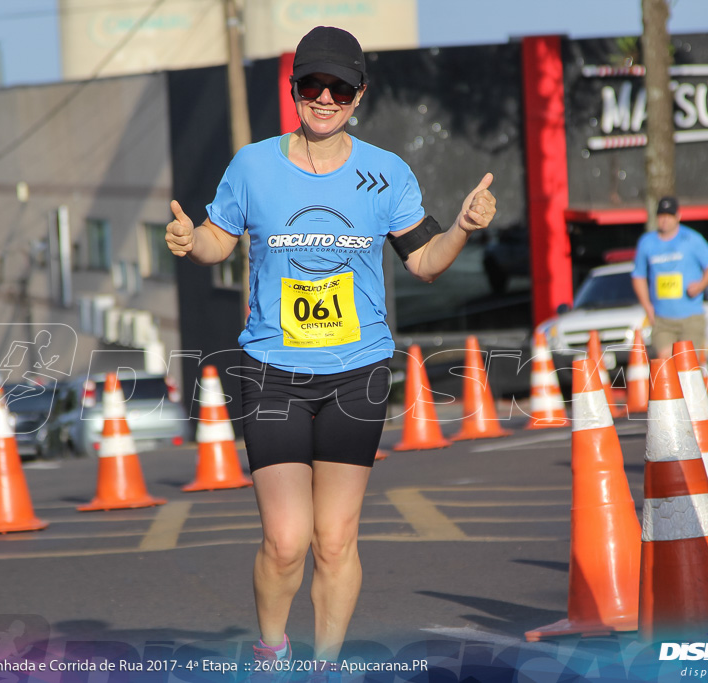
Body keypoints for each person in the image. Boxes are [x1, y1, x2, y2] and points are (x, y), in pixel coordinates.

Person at [164, 25, 496, 676]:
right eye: (311, 85)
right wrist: (187, 239)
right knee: (287, 543)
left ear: (358, 96)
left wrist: (461, 226)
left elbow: (425, 259)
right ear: (293, 90)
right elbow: (216, 240)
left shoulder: (385, 173)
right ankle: (271, 650)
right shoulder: (253, 166)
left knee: (336, 539)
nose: (324, 98)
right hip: (272, 371)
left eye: (338, 88)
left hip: (358, 373)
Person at [632, 196, 708, 359]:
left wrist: (701, 285)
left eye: (669, 215)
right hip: (662, 319)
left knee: (688, 364)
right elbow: (638, 276)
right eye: (661, 215)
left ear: (678, 216)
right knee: (665, 363)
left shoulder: (692, 239)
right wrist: (648, 307)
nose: (665, 220)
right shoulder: (647, 242)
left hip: (691, 317)